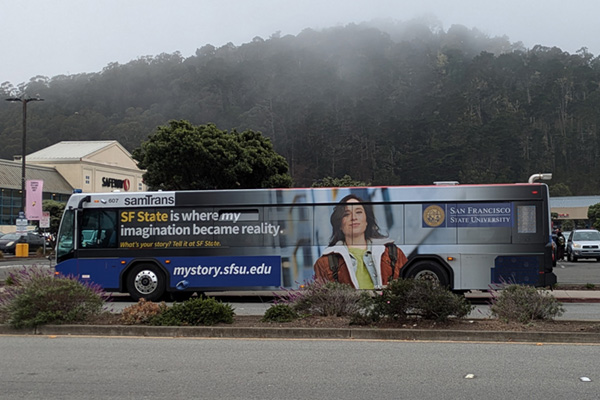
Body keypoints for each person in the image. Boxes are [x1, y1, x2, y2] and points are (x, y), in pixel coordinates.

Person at [313, 194, 407, 289]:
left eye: (358, 212)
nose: (354, 217)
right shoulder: (325, 263)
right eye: (346, 214)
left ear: (367, 221)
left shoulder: (394, 254)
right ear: (340, 225)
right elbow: (323, 300)